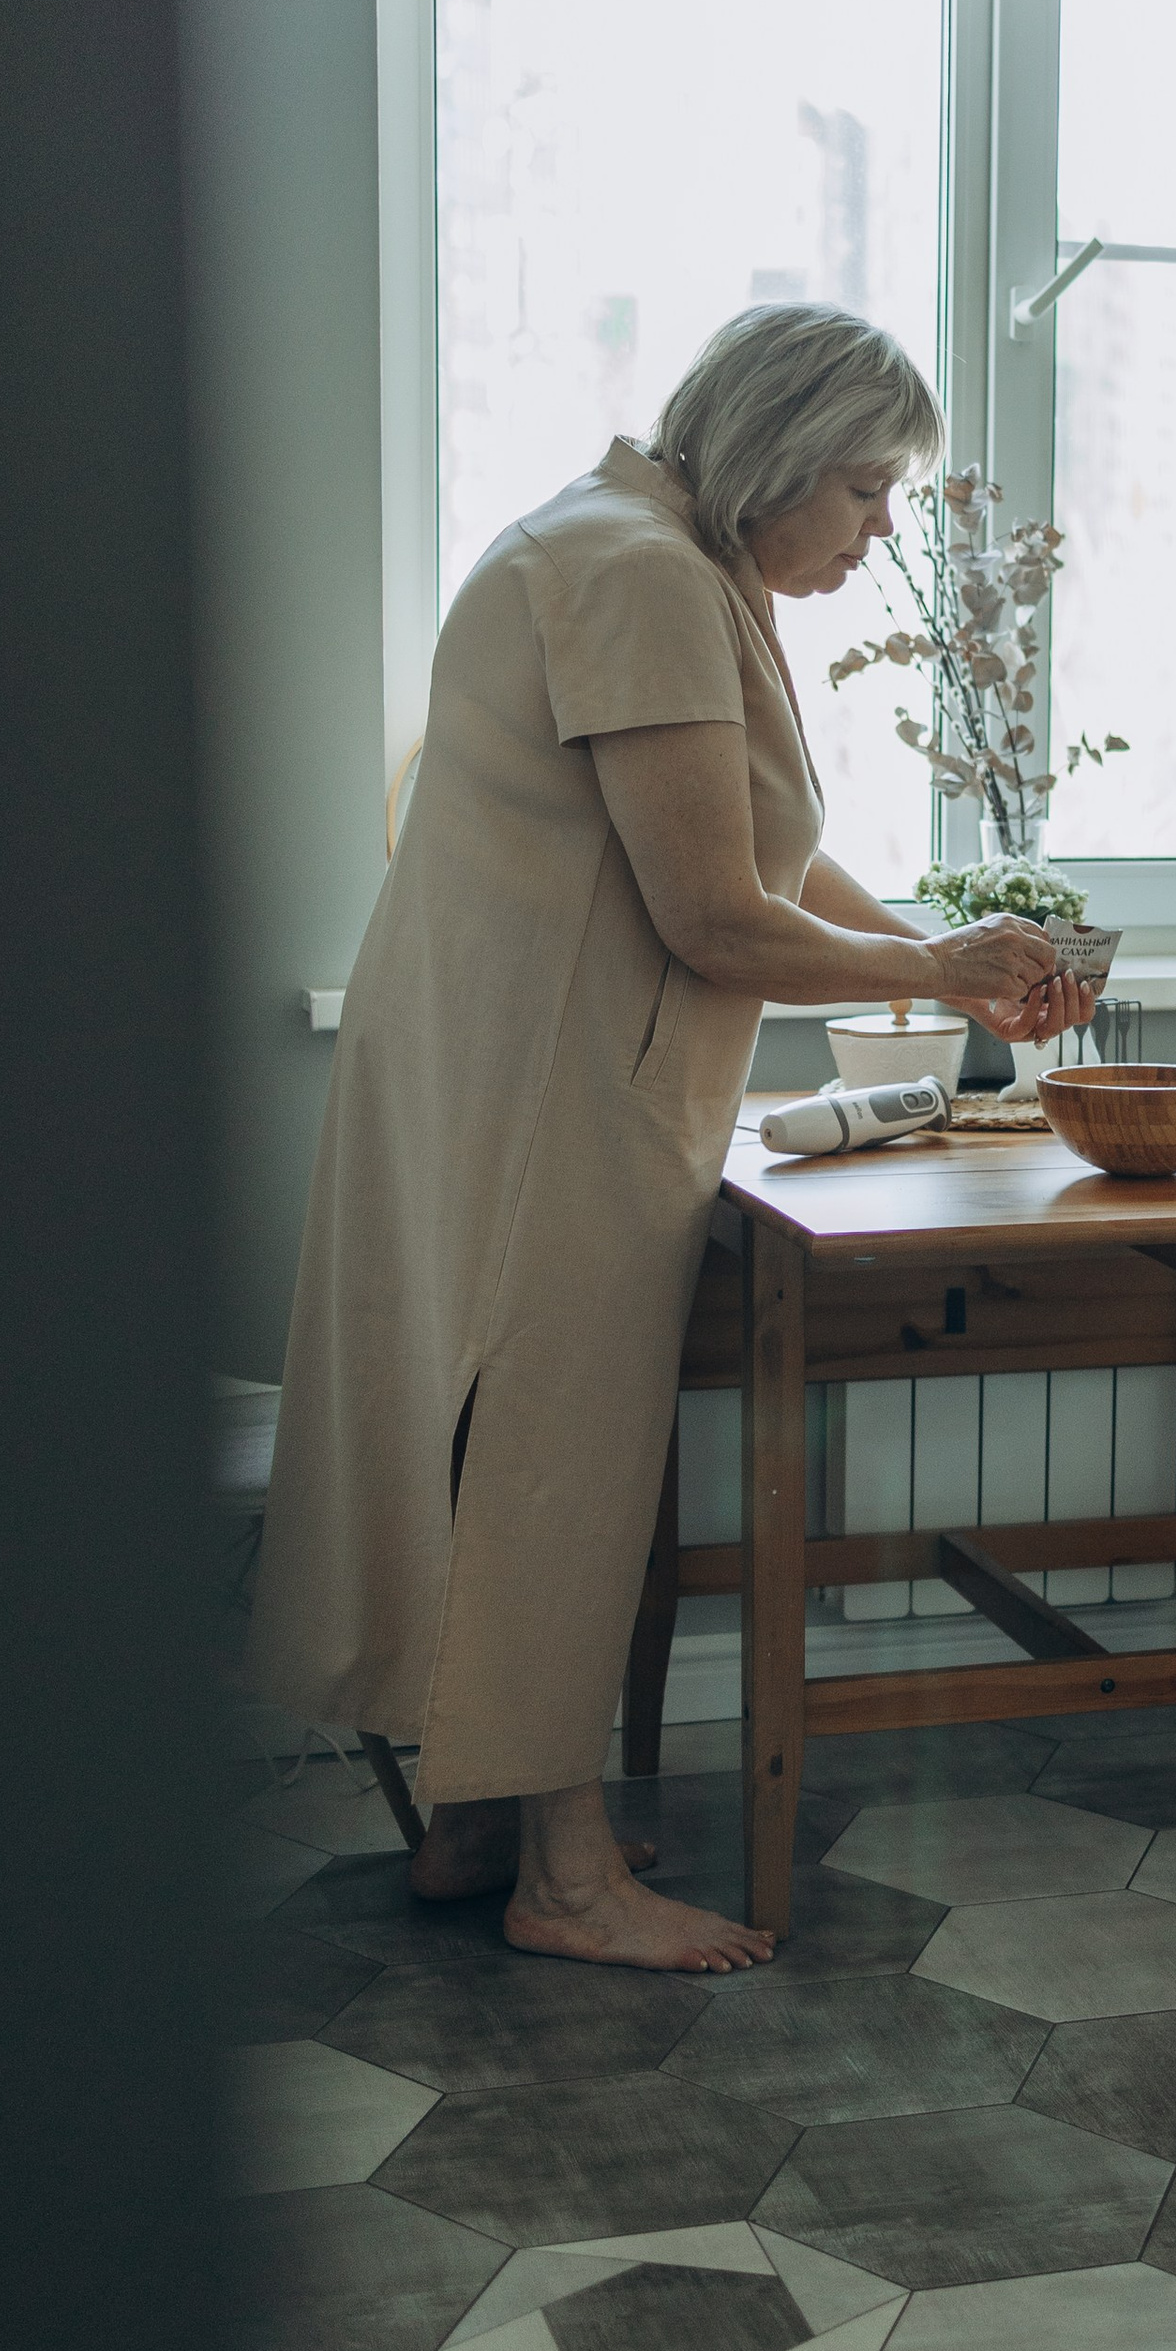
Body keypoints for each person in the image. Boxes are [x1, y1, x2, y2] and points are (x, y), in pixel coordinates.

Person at [248, 305, 1094, 1973]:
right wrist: (934, 967)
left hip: (522, 1076)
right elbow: (716, 917)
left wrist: (946, 942)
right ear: (778, 454)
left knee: (504, 1447)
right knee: (560, 1464)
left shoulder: (649, 549)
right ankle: (565, 1882)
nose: (874, 534)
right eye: (861, 492)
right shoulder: (636, 574)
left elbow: (762, 853)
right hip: (540, 1100)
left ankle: (483, 1817)